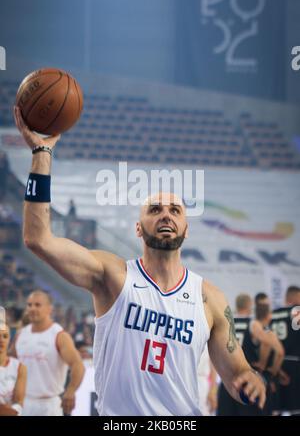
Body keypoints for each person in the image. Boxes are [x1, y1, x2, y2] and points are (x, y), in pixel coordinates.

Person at [14, 105, 266, 416]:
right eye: (155, 209)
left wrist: (253, 382)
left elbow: (237, 374)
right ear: (138, 227)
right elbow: (38, 239)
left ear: (185, 230)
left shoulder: (209, 298)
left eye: (175, 211)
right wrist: (41, 153)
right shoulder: (112, 275)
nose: (165, 215)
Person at [11, 290, 85, 416]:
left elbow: (78, 365)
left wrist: (70, 391)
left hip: (49, 405)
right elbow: (9, 364)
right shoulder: (20, 335)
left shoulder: (59, 336)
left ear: (49, 309)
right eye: (29, 305)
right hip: (23, 404)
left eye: (37, 305)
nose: (32, 308)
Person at [217, 295, 283, 416]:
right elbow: (269, 344)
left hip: (226, 378)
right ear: (249, 305)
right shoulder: (253, 324)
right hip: (247, 379)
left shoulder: (227, 321)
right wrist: (262, 364)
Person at [271, 286, 300, 415]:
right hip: (294, 365)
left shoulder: (272, 314)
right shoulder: (297, 312)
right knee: (295, 408)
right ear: (295, 297)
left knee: (275, 408)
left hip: (274, 366)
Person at [0, 324, 27, 416]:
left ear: (9, 340)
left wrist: (11, 411)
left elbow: (19, 401)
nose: (1, 340)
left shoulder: (19, 367)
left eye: (5, 336)